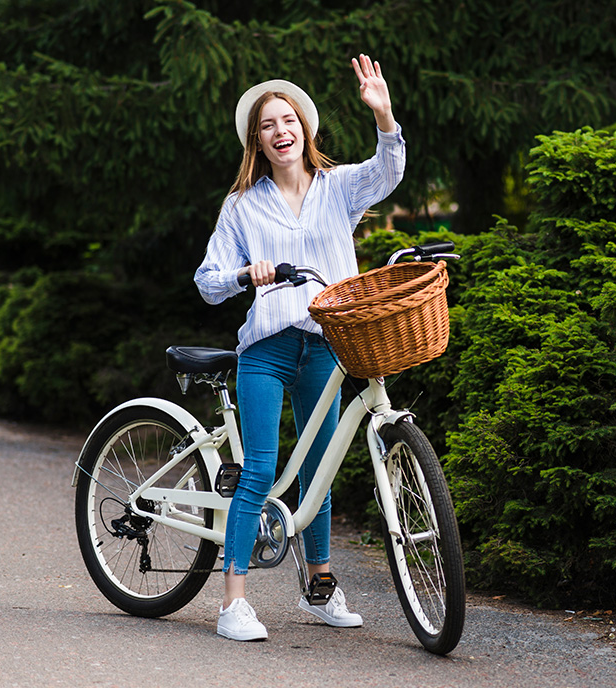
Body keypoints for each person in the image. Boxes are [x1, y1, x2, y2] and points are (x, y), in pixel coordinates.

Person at [194, 54, 406, 641]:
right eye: (267, 125)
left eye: (288, 120)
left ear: (304, 130)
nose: (280, 131)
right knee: (260, 468)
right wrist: (245, 275)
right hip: (266, 346)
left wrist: (383, 115)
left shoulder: (338, 189)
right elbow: (208, 281)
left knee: (320, 470)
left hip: (328, 344)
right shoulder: (242, 206)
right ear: (256, 142)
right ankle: (233, 602)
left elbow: (388, 172)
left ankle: (320, 583)